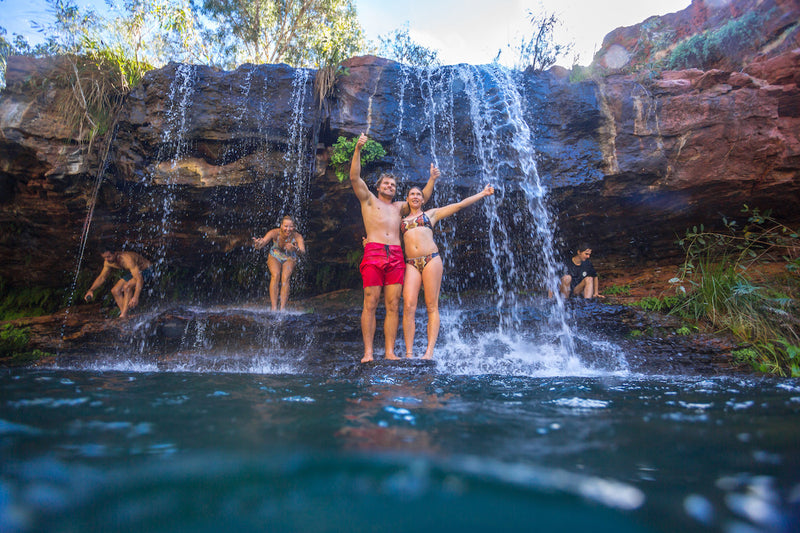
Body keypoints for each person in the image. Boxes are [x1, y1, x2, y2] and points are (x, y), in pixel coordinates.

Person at [350, 133, 439, 363]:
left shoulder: (401, 207)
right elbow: (354, 177)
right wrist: (358, 149)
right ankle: (368, 352)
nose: (390, 186)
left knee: (393, 304)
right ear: (378, 186)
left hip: (397, 256)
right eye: (386, 183)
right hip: (374, 251)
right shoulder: (368, 200)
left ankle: (390, 351)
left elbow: (422, 199)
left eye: (393, 185)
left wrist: (431, 180)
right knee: (370, 300)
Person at [401, 184, 495, 359]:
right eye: (412, 194)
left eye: (418, 195)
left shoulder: (431, 214)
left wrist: (482, 193)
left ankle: (429, 352)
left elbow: (459, 205)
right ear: (407, 199)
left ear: (422, 199)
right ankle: (409, 353)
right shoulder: (401, 220)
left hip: (431, 259)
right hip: (411, 263)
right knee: (408, 306)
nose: (415, 197)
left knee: (431, 306)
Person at [253, 215, 306, 311]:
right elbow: (262, 243)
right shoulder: (274, 232)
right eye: (285, 226)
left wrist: (295, 249)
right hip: (275, 254)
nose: (288, 229)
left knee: (285, 278)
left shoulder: (297, 236)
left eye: (291, 227)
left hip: (290, 256)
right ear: (281, 225)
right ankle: (274, 308)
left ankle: (282, 308)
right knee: (276, 275)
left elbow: (302, 251)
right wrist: (258, 244)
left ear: (294, 227)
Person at [84, 250, 154, 318]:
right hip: (135, 272)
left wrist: (135, 297)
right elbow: (102, 277)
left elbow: (139, 279)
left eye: (108, 257)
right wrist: (91, 290)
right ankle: (126, 314)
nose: (107, 259)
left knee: (127, 286)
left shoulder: (127, 259)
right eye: (104, 257)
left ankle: (123, 315)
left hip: (147, 270)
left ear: (115, 253)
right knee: (115, 290)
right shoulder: (107, 262)